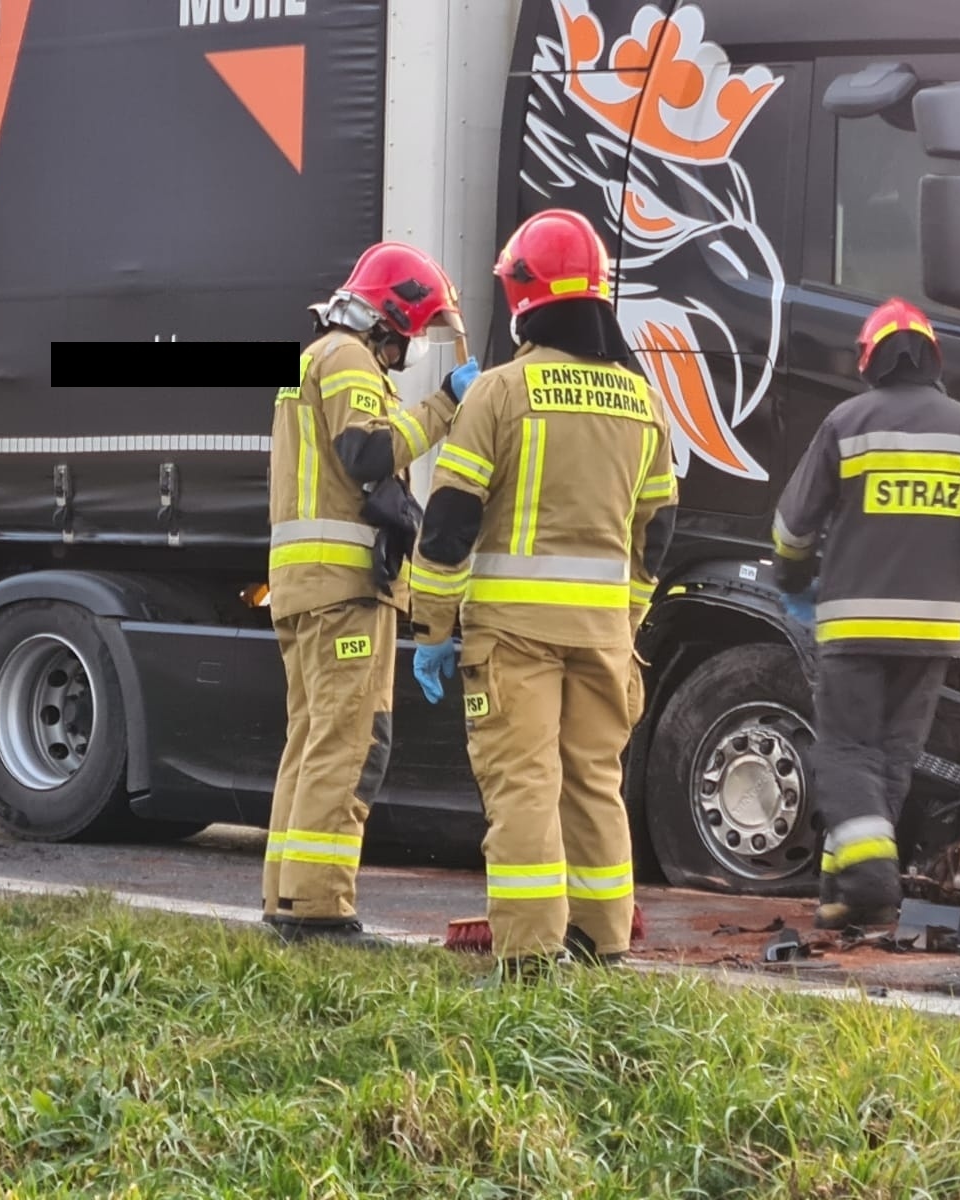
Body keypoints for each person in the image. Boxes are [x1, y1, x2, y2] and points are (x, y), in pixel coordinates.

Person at [409, 208, 678, 982]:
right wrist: (625, 619)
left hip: (512, 637)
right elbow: (654, 535)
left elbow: (450, 523)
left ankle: (527, 957)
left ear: (524, 296)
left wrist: (431, 628)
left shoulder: (498, 392)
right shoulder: (641, 401)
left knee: (525, 786)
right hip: (602, 636)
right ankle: (602, 945)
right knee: (595, 784)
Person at [264, 241, 481, 946]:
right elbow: (365, 453)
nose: (412, 348)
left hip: (312, 589)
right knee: (351, 744)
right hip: (341, 594)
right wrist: (445, 407)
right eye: (414, 334)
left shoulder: (317, 359)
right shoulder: (348, 360)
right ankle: (320, 911)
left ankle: (288, 899)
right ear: (390, 319)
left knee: (313, 740)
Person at [769, 298, 960, 930]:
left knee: (845, 752)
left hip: (856, 625)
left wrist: (793, 578)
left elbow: (791, 529)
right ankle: (848, 892)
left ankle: (869, 876)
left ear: (869, 360)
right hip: (937, 629)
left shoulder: (847, 421)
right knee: (889, 757)